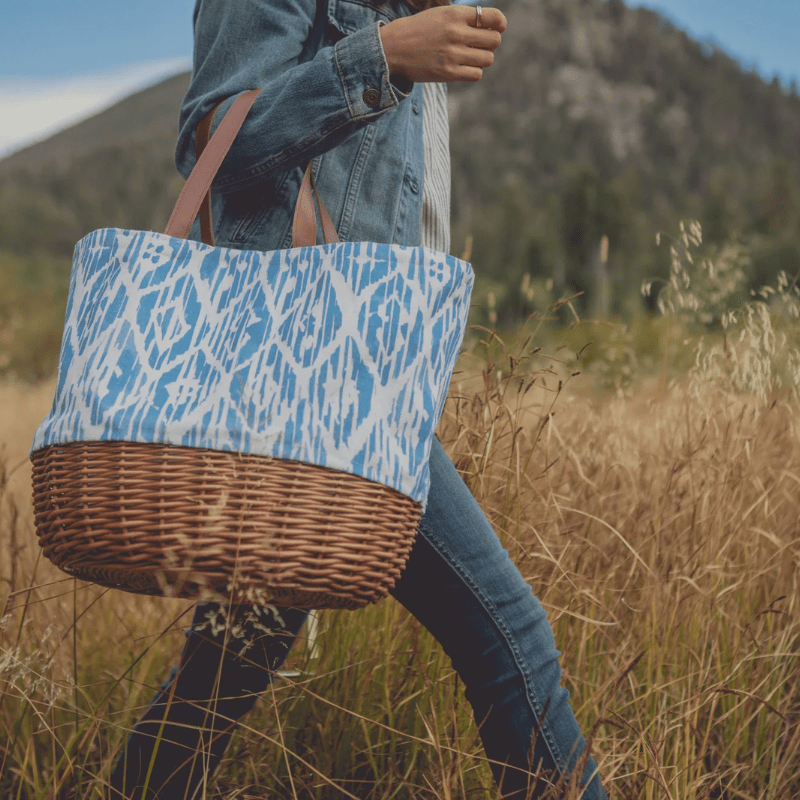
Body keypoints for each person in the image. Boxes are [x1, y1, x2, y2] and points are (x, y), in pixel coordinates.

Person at [109, 1, 607, 798]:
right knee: (509, 637)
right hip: (312, 376)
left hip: (368, 369)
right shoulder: (386, 33)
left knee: (237, 656)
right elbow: (212, 139)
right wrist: (379, 58)